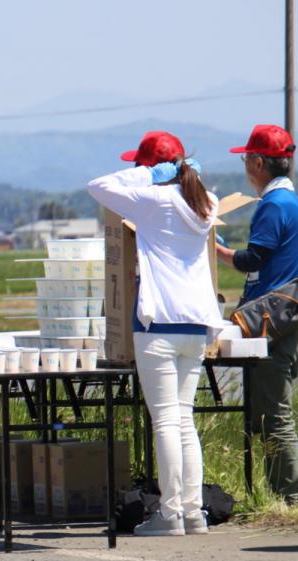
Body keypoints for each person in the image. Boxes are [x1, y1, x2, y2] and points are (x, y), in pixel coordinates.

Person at [87, 131, 223, 535]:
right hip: (197, 324)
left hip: (158, 322)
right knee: (185, 420)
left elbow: (98, 187)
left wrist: (147, 177)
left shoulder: (152, 200)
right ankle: (194, 511)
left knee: (165, 420)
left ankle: (169, 514)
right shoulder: (206, 202)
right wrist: (171, 171)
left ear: (150, 167)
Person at [215, 124, 298, 505]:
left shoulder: (273, 204)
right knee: (272, 413)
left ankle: (286, 499)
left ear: (258, 162)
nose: (245, 166)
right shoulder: (292, 200)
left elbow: (254, 258)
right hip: (287, 319)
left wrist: (218, 250)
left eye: (246, 159)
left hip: (271, 323)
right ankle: (279, 494)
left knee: (275, 415)